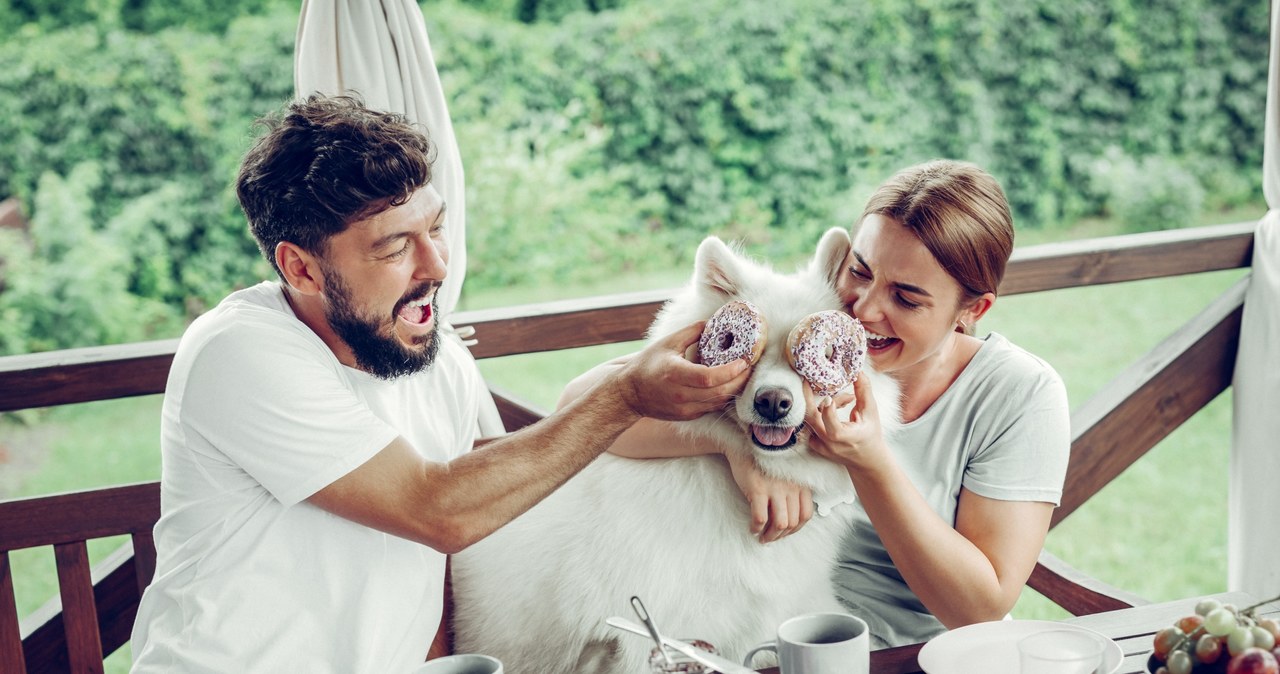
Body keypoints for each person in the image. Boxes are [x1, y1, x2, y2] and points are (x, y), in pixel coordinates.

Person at [129, 94, 750, 673]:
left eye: (436, 228)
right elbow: (439, 510)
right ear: (301, 268)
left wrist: (729, 444)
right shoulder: (239, 352)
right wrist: (625, 395)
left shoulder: (434, 354)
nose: (437, 265)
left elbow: (456, 539)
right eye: (396, 246)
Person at [559, 159, 1070, 648]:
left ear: (971, 309)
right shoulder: (800, 323)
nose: (865, 311)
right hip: (768, 634)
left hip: (919, 655)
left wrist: (869, 462)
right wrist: (739, 450)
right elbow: (580, 402)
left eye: (907, 298)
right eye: (862, 272)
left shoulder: (1020, 394)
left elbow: (978, 609)